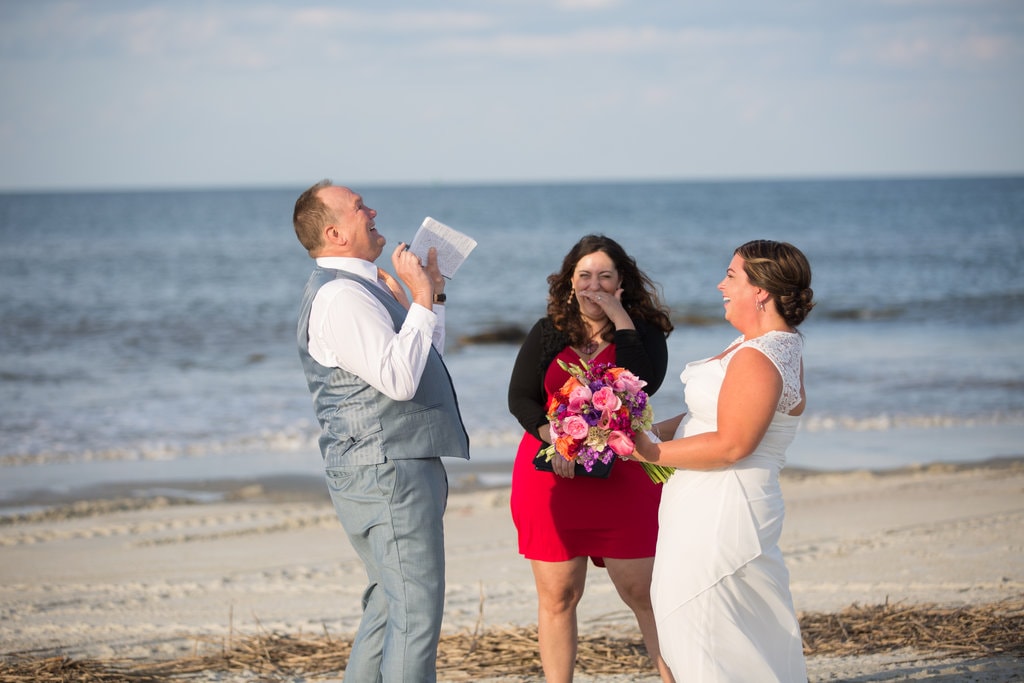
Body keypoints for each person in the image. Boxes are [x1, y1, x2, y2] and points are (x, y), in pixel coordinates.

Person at [292, 180, 470, 683]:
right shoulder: (341, 297)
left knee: (390, 609)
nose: (372, 210)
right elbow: (399, 379)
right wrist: (416, 296)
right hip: (387, 471)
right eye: (358, 207)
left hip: (387, 467)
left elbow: (420, 359)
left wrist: (427, 297)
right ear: (335, 232)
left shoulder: (361, 287)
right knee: (414, 615)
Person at [630, 239, 815, 682]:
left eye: (731, 276)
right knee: (723, 631)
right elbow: (706, 415)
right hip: (713, 503)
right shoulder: (764, 345)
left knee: (708, 634)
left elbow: (733, 443)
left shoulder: (758, 356)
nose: (720, 285)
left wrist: (650, 452)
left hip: (720, 512)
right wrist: (644, 431)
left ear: (762, 291)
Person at [507, 234, 676, 683]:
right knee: (558, 596)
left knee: (642, 592)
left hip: (623, 477)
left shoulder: (644, 332)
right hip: (552, 475)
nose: (594, 285)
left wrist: (619, 315)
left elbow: (646, 380)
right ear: (570, 282)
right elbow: (520, 399)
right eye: (585, 276)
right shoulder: (547, 332)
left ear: (622, 282)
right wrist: (555, 438)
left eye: (605, 276)